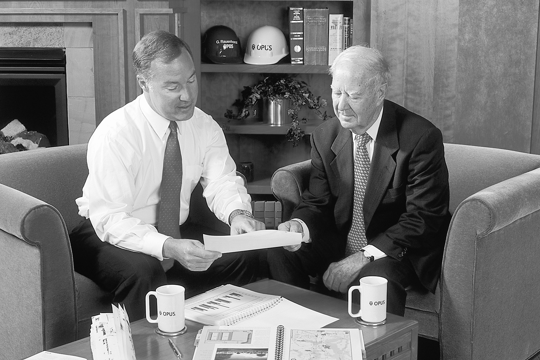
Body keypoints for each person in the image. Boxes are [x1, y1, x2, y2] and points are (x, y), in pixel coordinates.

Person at [69, 30, 265, 321]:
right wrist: (167, 246)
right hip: (106, 233)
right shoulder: (116, 134)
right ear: (144, 84)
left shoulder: (204, 126)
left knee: (249, 254)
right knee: (144, 273)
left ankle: (236, 339)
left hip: (173, 229)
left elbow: (222, 180)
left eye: (191, 80)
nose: (187, 95)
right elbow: (110, 218)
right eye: (173, 86)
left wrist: (238, 214)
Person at [267, 45, 451, 315]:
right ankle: (299, 328)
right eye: (336, 92)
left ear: (379, 92)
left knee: (375, 280)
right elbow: (317, 202)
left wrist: (364, 256)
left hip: (396, 248)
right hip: (341, 237)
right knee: (280, 251)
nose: (341, 106)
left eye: (353, 95)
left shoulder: (421, 138)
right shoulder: (325, 136)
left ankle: (373, 353)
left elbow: (424, 219)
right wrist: (298, 224)